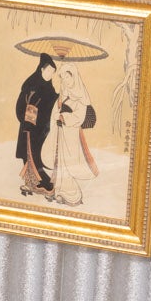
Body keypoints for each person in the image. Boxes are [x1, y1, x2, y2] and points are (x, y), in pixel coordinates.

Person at [45, 59, 97, 206]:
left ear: (73, 76)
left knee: (69, 163)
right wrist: (57, 111)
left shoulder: (81, 96)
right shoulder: (64, 94)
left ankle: (71, 195)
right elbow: (56, 110)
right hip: (61, 133)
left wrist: (63, 117)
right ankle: (58, 191)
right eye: (63, 78)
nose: (65, 81)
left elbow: (78, 117)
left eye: (67, 77)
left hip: (71, 134)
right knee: (59, 161)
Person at [15, 53, 58, 195]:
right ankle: (36, 183)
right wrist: (28, 122)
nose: (51, 74)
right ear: (42, 69)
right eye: (49, 71)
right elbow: (24, 106)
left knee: (36, 155)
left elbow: (52, 102)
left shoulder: (49, 87)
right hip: (29, 128)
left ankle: (35, 183)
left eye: (53, 72)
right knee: (30, 155)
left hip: (41, 129)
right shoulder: (31, 85)